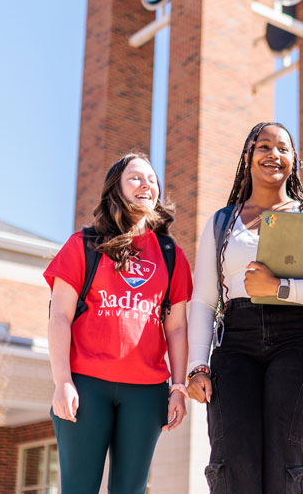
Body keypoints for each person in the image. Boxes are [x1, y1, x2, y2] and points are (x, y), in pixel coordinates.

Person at [186, 122, 303, 494]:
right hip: (235, 341)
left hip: (300, 337)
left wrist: (280, 288)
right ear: (248, 156)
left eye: (283, 148)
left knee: (287, 465)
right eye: (264, 146)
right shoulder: (223, 221)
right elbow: (204, 299)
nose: (274, 154)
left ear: (294, 159)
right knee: (232, 464)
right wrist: (196, 366)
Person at [44, 152, 192, 493]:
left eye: (152, 179)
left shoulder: (171, 254)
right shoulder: (84, 245)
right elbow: (59, 316)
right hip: (86, 385)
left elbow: (177, 327)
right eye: (136, 178)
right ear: (116, 188)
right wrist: (62, 381)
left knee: (131, 489)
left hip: (146, 392)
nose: (147, 184)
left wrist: (178, 388)